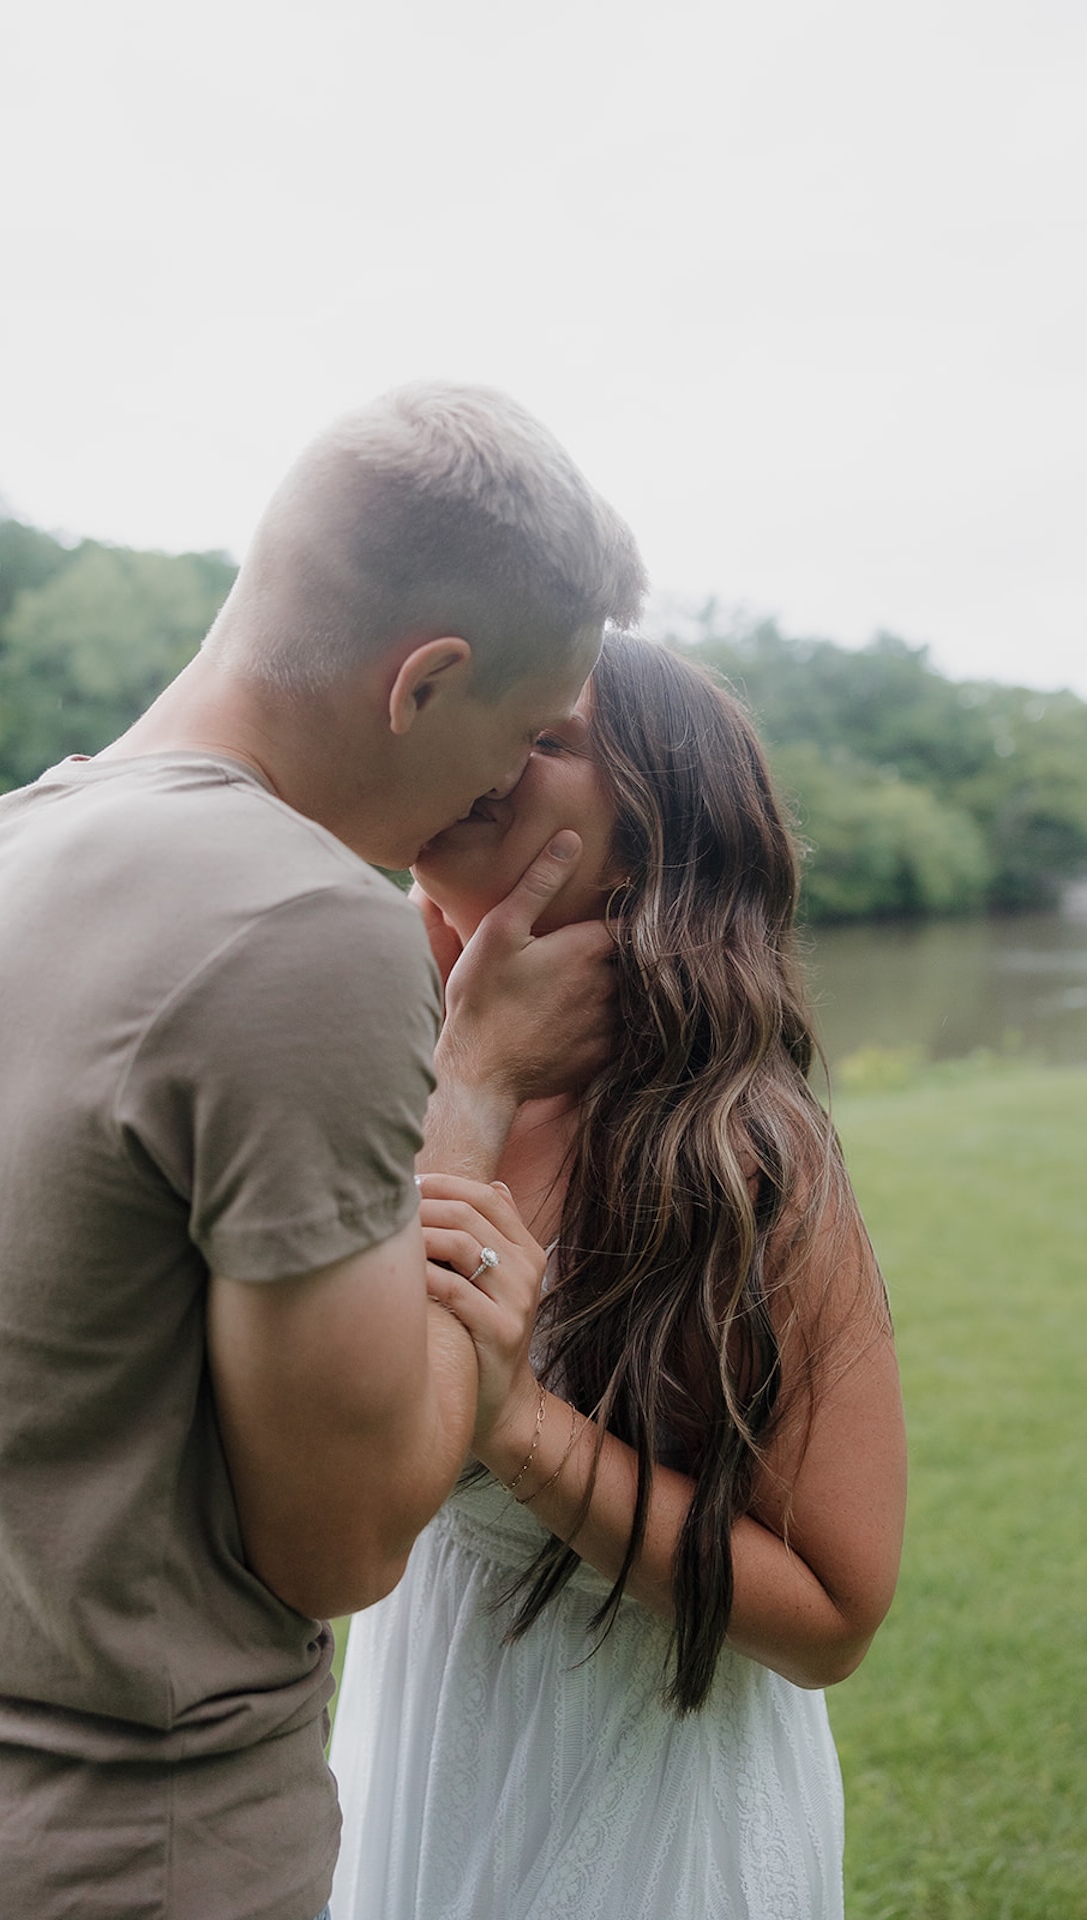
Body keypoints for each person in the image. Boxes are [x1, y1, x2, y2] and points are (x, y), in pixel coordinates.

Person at [0, 383, 646, 1920]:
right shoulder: (302, 926)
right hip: (134, 1851)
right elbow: (340, 1539)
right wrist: (478, 1101)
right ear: (425, 681)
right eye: (518, 733)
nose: (502, 787)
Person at [329, 631, 908, 1920]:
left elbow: (834, 1616)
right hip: (416, 1737)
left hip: (641, 1804)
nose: (493, 754)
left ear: (652, 833)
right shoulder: (372, 1070)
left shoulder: (741, 1156)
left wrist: (518, 1426)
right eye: (492, 716)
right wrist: (462, 1080)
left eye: (549, 736)